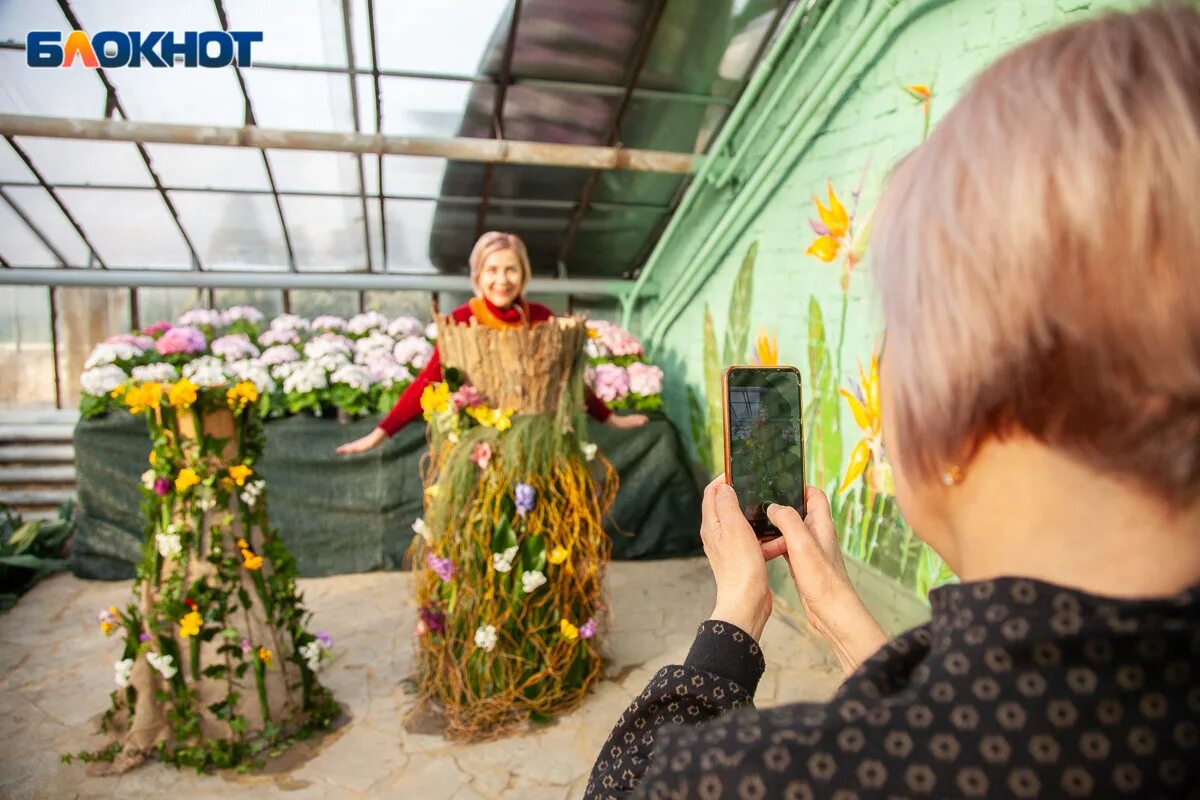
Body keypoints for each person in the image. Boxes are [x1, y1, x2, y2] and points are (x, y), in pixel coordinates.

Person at [587, 5, 1200, 797]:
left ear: (954, 400)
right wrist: (837, 604)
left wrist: (736, 611)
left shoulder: (769, 776)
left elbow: (630, 783)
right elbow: (972, 714)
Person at [336, 232, 646, 455]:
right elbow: (430, 380)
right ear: (478, 275)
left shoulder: (540, 319)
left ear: (523, 274)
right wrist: (378, 435)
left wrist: (612, 419)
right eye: (492, 270)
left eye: (511, 269)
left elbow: (567, 378)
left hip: (538, 443)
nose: (502, 279)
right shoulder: (462, 321)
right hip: (481, 447)